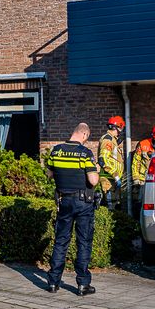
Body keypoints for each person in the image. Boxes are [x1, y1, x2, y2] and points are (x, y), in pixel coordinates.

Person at [43, 122, 100, 295]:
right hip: (83, 203)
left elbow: (49, 174)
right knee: (83, 242)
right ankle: (83, 284)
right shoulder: (84, 153)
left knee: (61, 241)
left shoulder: (56, 151)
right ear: (84, 135)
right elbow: (93, 181)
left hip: (63, 201)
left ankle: (53, 283)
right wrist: (95, 169)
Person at [130, 125, 155, 210]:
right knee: (140, 202)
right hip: (143, 180)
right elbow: (136, 163)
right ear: (153, 137)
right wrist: (136, 179)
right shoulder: (143, 145)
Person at [97, 116, 125, 209]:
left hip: (112, 178)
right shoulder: (108, 140)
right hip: (108, 178)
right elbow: (103, 160)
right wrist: (116, 176)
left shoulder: (113, 140)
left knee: (115, 205)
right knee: (110, 206)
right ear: (118, 127)